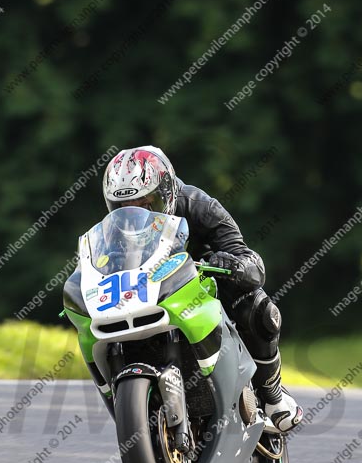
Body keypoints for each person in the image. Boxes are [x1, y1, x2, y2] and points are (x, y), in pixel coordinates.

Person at [102, 145, 303, 433]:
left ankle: (272, 395)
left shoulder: (199, 205)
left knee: (258, 307)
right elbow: (95, 265)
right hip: (146, 299)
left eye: (147, 204)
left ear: (167, 193)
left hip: (202, 293)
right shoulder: (112, 231)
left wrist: (231, 265)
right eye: (125, 208)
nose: (137, 215)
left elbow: (252, 263)